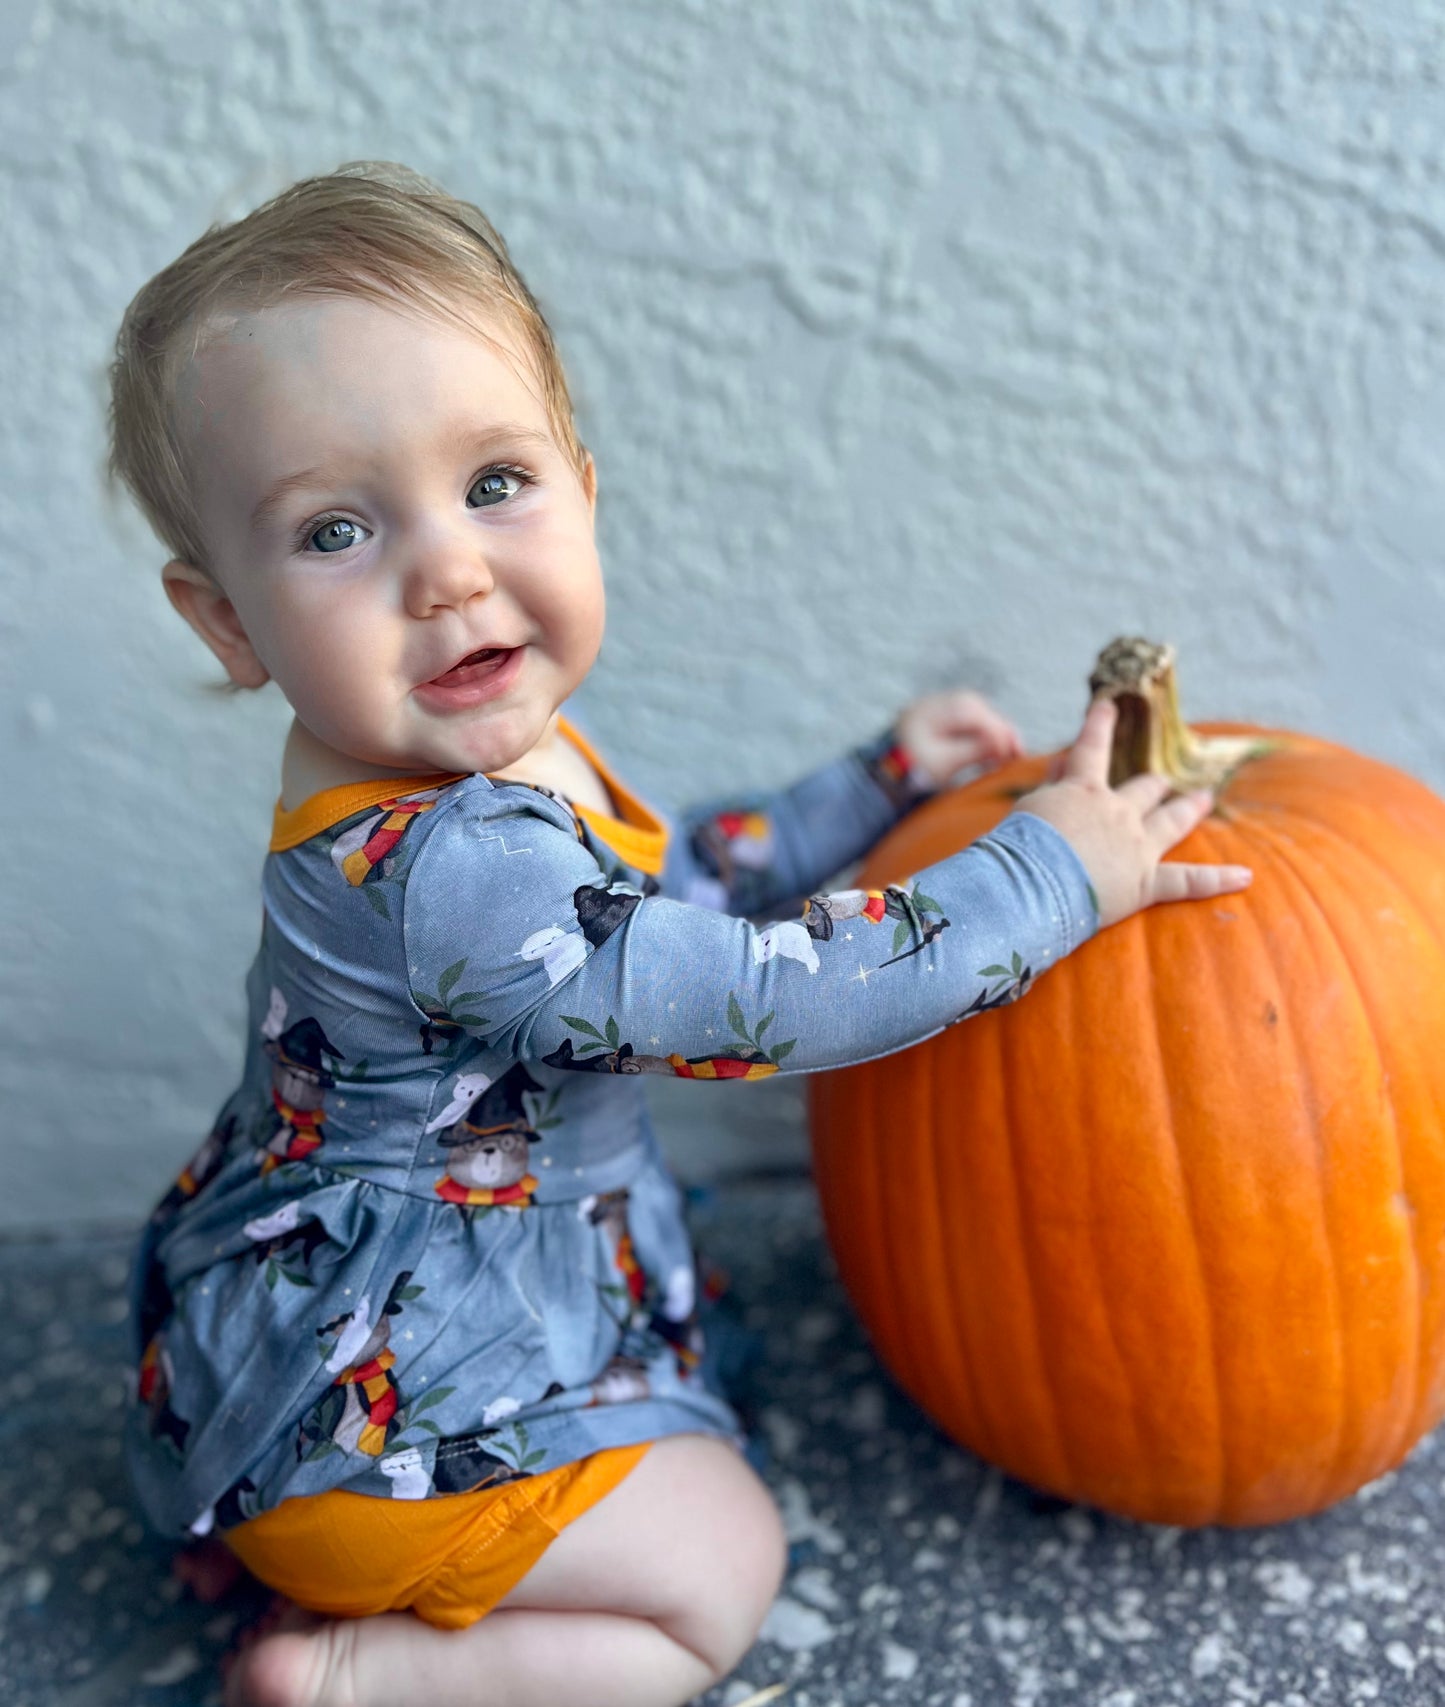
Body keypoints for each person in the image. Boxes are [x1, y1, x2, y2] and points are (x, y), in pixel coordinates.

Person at [106, 160, 1251, 1707]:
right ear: (227, 621)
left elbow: (658, 901)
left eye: (491, 483)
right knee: (726, 1574)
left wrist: (865, 788)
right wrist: (1049, 871)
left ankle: (313, 1557)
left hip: (295, 1328)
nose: (446, 566)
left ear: (581, 484)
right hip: (392, 1433)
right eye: (333, 531)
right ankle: (359, 1678)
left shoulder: (442, 762)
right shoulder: (449, 864)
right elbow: (761, 996)